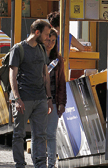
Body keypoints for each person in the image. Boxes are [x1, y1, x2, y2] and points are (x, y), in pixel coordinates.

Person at [9, 19, 53, 168]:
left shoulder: (42, 49)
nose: (48, 38)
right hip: (23, 98)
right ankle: (20, 164)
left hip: (40, 98)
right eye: (46, 35)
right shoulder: (18, 49)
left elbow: (45, 75)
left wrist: (48, 97)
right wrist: (17, 98)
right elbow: (12, 75)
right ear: (37, 32)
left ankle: (40, 165)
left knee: (40, 135)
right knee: (19, 134)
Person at [44, 29, 67, 168]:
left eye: (53, 41)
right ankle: (39, 162)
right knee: (39, 134)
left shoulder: (58, 59)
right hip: (38, 99)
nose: (50, 43)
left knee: (51, 134)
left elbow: (62, 83)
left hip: (53, 100)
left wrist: (62, 103)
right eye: (48, 40)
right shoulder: (38, 56)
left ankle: (51, 163)